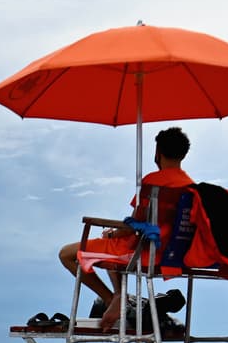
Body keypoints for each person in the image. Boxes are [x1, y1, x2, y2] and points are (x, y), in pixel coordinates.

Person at [57, 127, 195, 331]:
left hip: (145, 254)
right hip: (173, 255)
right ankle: (118, 299)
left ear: (158, 152)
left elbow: (132, 226)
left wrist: (112, 233)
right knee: (113, 242)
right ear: (183, 153)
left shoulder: (153, 182)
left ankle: (113, 299)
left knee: (67, 254)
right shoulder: (192, 187)